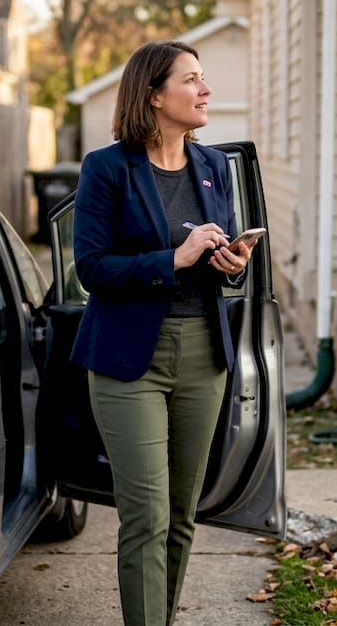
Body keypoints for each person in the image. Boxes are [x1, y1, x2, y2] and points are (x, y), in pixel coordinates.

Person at [69, 40, 255, 626]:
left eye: (203, 80)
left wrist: (230, 262)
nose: (205, 91)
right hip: (129, 360)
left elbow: (211, 254)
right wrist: (173, 258)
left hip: (204, 353)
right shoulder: (106, 168)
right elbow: (91, 269)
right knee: (145, 515)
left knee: (180, 514)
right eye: (192, 80)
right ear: (154, 95)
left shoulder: (212, 166)